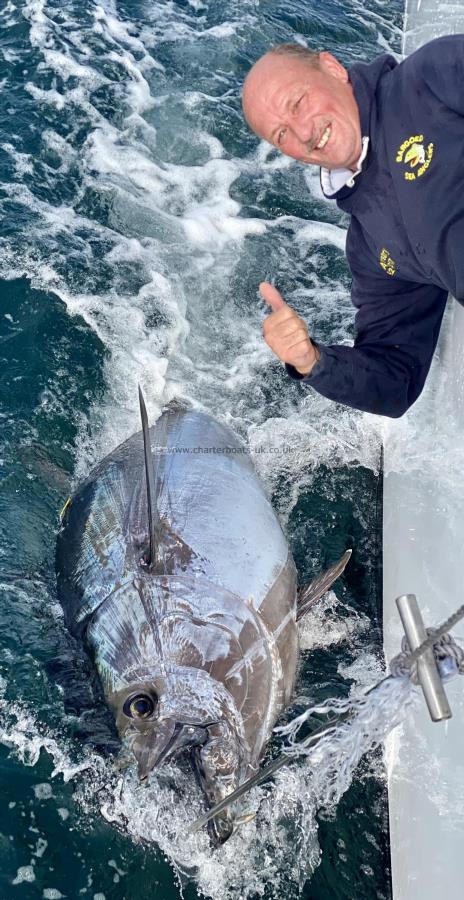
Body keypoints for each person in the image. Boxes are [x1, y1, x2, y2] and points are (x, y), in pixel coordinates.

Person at [242, 37, 464, 417]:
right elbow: (396, 379)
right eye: (282, 135)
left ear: (332, 68)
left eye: (298, 103)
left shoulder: (432, 77)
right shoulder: (369, 245)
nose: (304, 133)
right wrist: (312, 362)